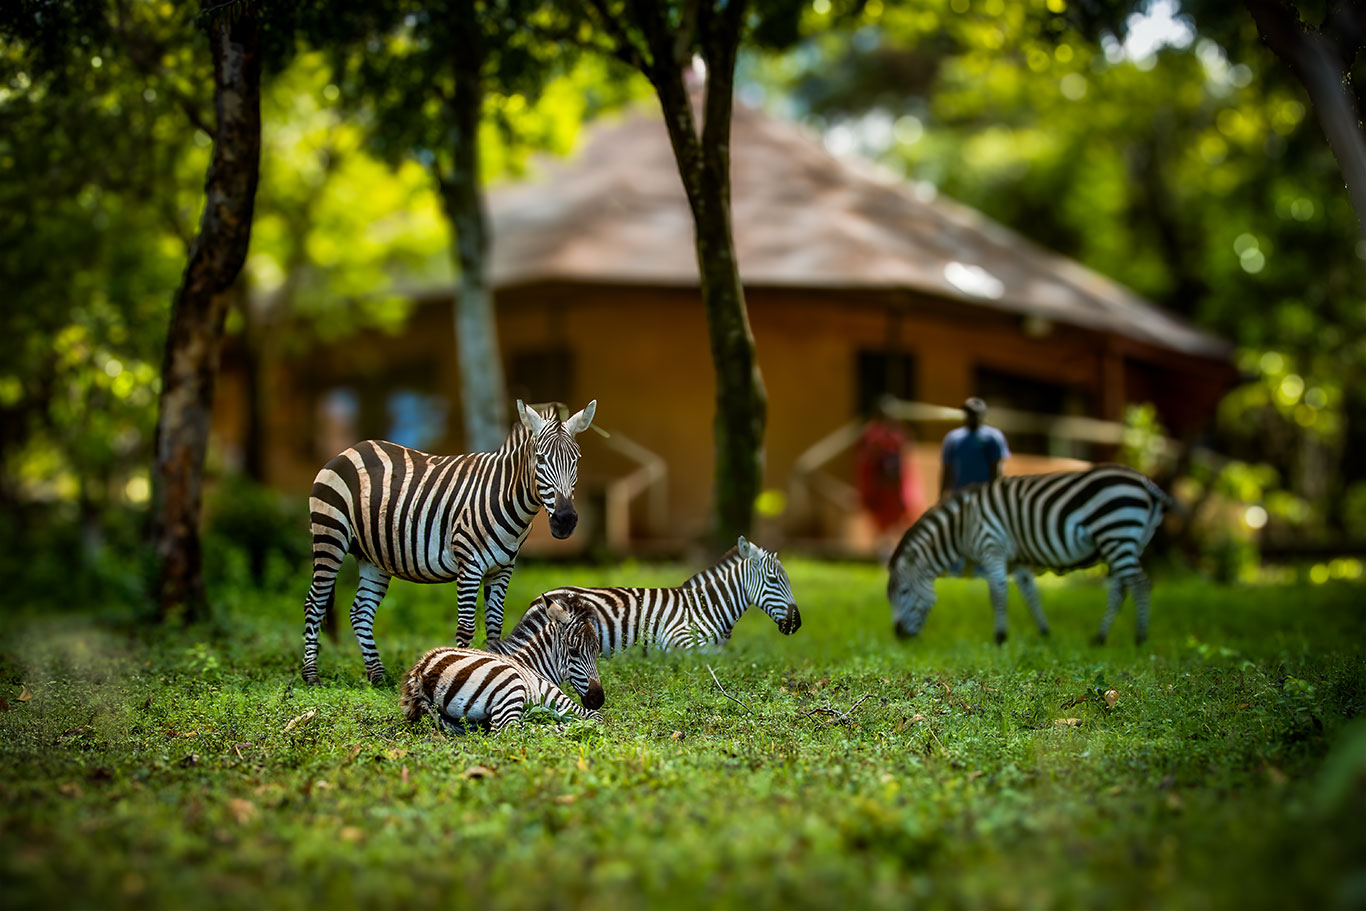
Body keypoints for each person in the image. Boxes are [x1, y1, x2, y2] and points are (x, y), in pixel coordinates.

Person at [940, 397, 1010, 498]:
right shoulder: (953, 438)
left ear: (982, 415)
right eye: (968, 413)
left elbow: (997, 468)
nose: (970, 417)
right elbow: (947, 469)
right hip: (959, 493)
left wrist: (994, 493)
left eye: (974, 413)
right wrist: (943, 494)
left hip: (983, 494)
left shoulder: (992, 437)